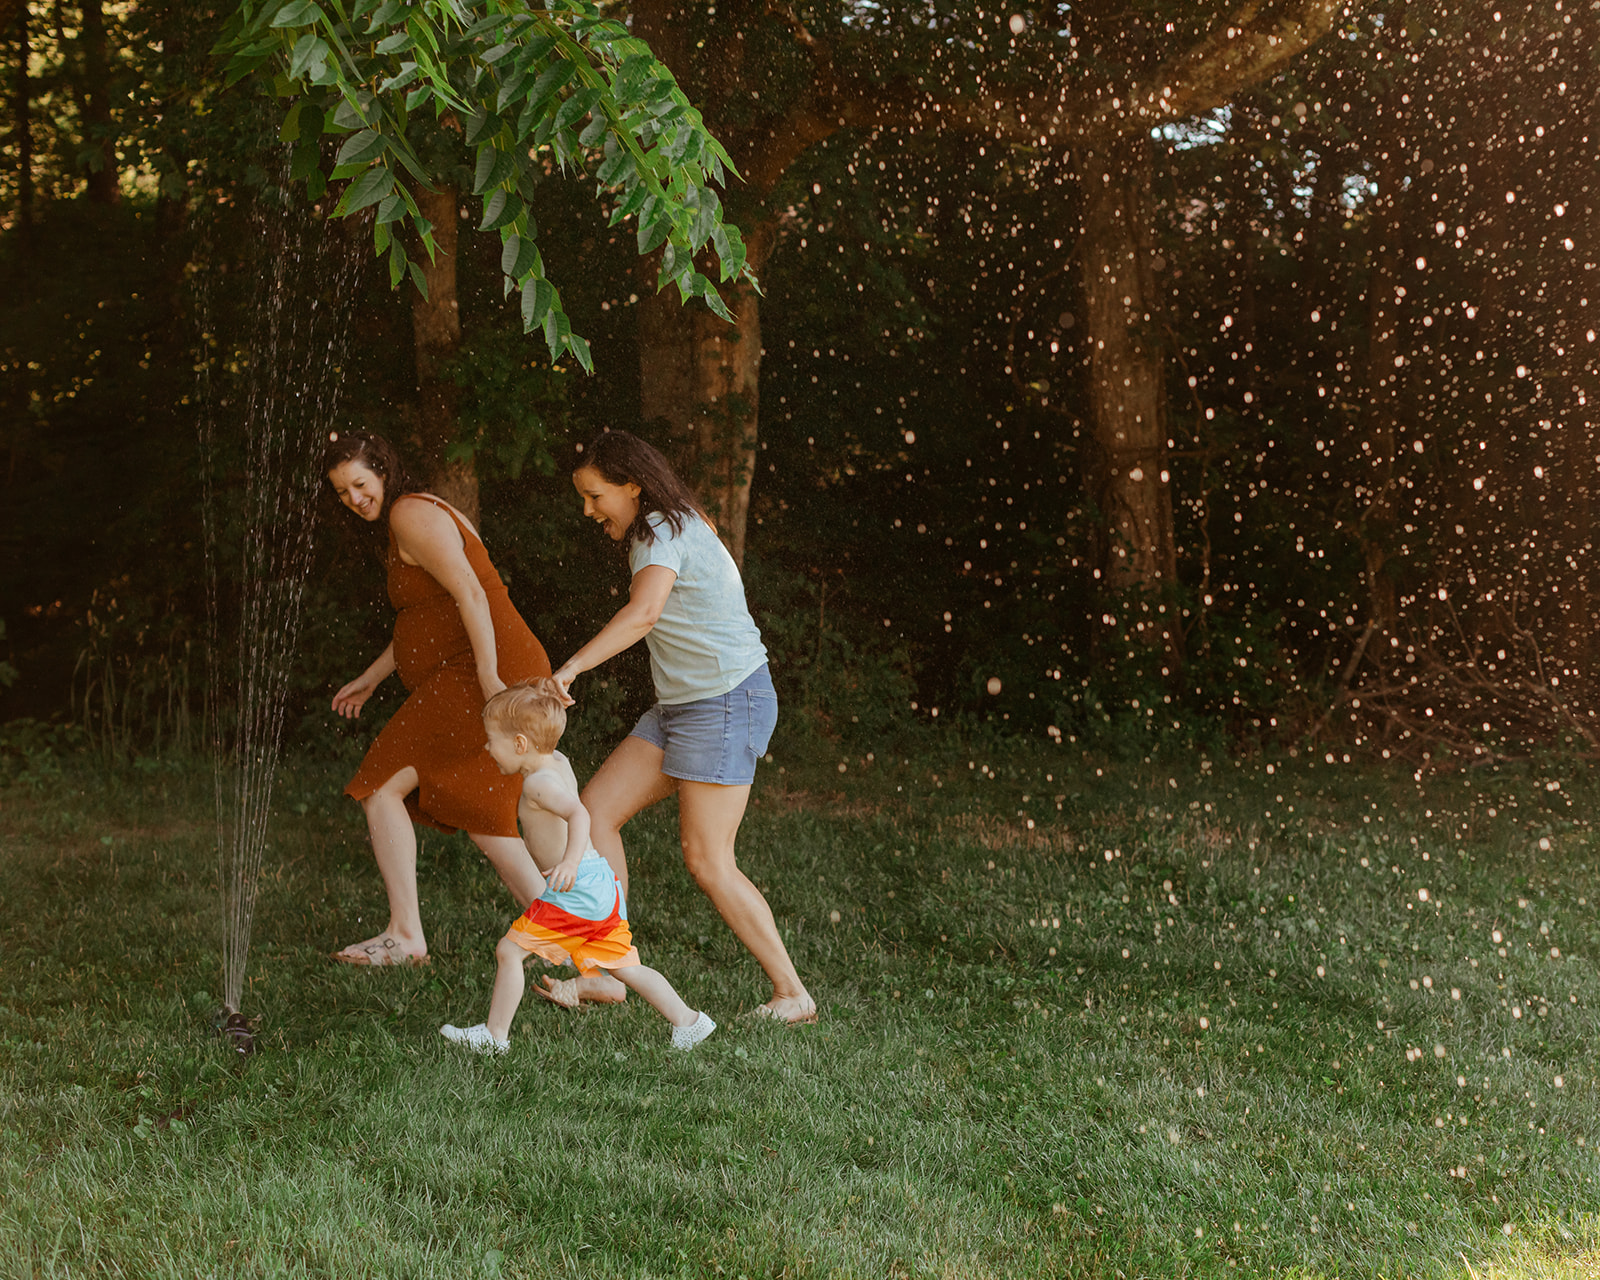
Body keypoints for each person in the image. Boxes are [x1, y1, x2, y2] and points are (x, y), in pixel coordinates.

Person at [549, 429, 816, 1024]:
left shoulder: (663, 531)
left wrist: (571, 665)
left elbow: (644, 613)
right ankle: (607, 972)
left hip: (724, 700)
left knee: (707, 858)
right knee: (594, 815)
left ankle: (792, 993)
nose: (588, 510)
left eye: (595, 497)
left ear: (632, 486)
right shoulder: (672, 524)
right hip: (684, 705)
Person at [323, 431, 551, 965]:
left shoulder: (409, 514)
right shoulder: (419, 510)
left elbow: (474, 593)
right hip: (477, 666)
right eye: (341, 492)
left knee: (381, 783)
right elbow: (431, 616)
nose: (354, 498)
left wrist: (491, 677)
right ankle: (570, 942)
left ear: (384, 469)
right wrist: (375, 676)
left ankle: (406, 934)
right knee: (482, 812)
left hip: (481, 671)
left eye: (360, 482)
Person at [439, 681, 715, 1054]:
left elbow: (578, 812)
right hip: (600, 883)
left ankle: (494, 1036)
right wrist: (545, 701)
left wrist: (568, 862)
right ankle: (688, 1021)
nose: (488, 747)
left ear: (521, 744)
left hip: (576, 889)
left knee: (509, 952)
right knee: (624, 967)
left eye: (492, 740)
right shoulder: (557, 761)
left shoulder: (538, 783)